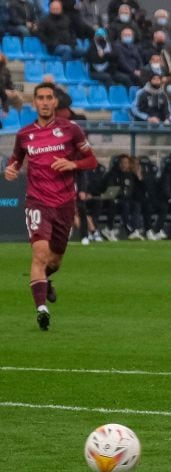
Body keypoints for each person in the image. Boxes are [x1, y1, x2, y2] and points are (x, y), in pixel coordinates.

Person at [4, 82, 99, 330]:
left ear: (55, 102)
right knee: (39, 254)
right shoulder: (24, 134)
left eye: (49, 98)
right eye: (40, 98)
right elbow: (16, 159)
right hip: (37, 201)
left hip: (65, 204)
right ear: (34, 103)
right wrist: (11, 169)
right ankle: (41, 310)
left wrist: (73, 165)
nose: (45, 102)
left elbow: (91, 160)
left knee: (54, 261)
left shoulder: (71, 130)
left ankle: (44, 281)